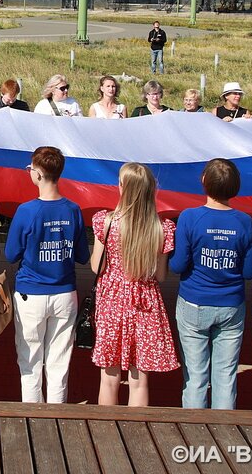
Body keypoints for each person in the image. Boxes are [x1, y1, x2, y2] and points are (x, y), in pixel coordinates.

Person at [169, 158, 252, 409]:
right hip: (231, 305)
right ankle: (224, 429)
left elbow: (177, 266)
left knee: (196, 375)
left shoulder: (189, 217)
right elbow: (250, 270)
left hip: (194, 302)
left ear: (203, 182)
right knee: (225, 375)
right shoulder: (245, 222)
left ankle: (194, 429)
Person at [5, 146, 89, 403]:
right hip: (65, 292)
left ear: (38, 174)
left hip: (32, 293)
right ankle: (57, 416)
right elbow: (83, 256)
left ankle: (33, 418)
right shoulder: (73, 210)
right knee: (59, 364)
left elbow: (10, 254)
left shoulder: (27, 211)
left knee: (30, 364)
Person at [91, 162, 178, 407]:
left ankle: (105, 431)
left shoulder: (106, 222)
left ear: (122, 187)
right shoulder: (161, 228)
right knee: (139, 379)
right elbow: (160, 275)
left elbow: (97, 267)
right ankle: (136, 432)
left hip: (111, 301)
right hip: (146, 301)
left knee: (109, 377)